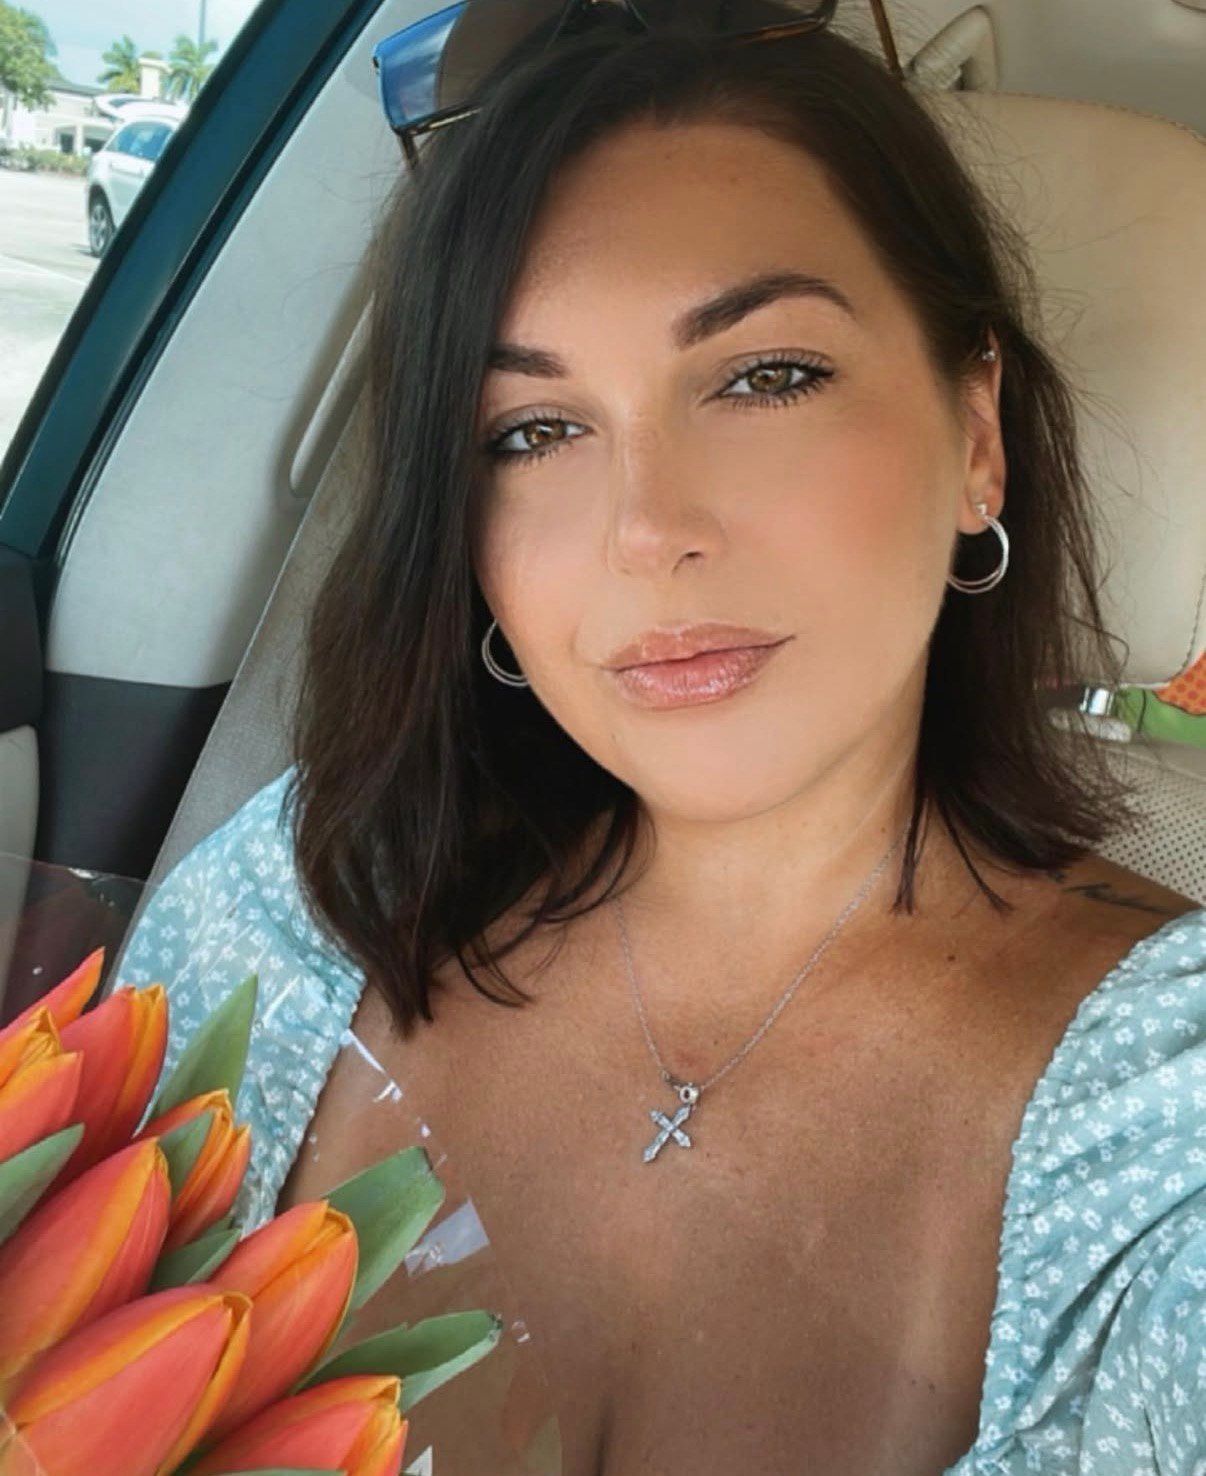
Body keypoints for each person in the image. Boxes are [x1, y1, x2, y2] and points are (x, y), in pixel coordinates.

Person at [116, 5, 1206, 1473]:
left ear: (974, 437)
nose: (646, 535)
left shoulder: (1164, 1122)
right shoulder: (314, 894)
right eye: (529, 432)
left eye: (764, 377)